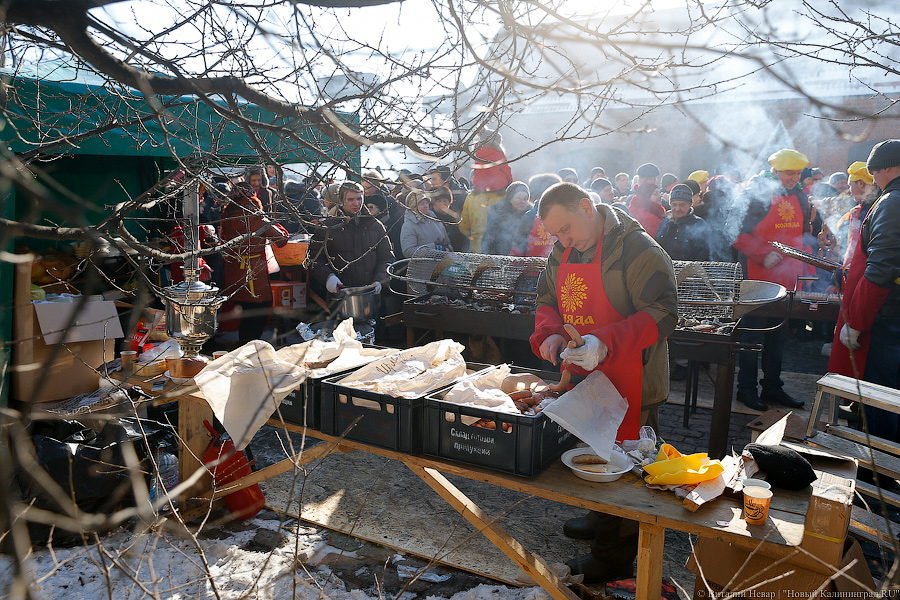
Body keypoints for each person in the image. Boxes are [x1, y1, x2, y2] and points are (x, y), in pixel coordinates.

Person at [530, 181, 677, 584]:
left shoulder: (638, 249)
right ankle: (600, 518)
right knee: (592, 449)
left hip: (633, 376)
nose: (562, 239)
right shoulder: (563, 251)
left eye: (566, 229)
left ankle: (612, 558)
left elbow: (664, 314)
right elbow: (547, 300)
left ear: (585, 206)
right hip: (584, 372)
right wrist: (550, 334)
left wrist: (605, 343)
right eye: (556, 234)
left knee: (625, 468)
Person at [828, 140, 900, 443]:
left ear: (883, 168)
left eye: (873, 172)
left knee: (882, 402)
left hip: (889, 318)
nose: (873, 179)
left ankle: (876, 481)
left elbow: (882, 270)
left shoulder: (892, 201)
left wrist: (855, 322)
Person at [732, 148, 813, 411]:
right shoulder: (755, 193)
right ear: (775, 170)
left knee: (778, 338)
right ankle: (745, 389)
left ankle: (772, 387)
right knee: (752, 337)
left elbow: (803, 234)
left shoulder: (799, 195)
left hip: (787, 279)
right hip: (757, 281)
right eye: (790, 173)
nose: (794, 178)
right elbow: (734, 231)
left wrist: (807, 271)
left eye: (798, 173)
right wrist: (762, 254)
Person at [220, 182, 289, 341]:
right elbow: (281, 239)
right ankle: (249, 348)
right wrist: (273, 223)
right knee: (258, 312)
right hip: (253, 270)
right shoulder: (256, 216)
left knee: (244, 310)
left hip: (233, 267)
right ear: (253, 195)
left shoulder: (227, 216)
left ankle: (244, 346)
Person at [309, 181, 395, 309]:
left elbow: (387, 257)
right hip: (339, 298)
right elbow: (314, 258)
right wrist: (328, 277)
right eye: (350, 199)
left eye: (359, 199)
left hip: (370, 298)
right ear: (340, 200)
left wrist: (380, 280)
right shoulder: (328, 227)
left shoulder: (375, 226)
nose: (356, 203)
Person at [834, 162, 880, 268]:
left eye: (850, 185)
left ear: (861, 184)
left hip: (865, 272)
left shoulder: (870, 211)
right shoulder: (864, 207)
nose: (849, 190)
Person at [655, 184, 710, 262]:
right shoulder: (664, 223)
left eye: (682, 205)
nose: (677, 209)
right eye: (674, 205)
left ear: (690, 204)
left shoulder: (699, 226)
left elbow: (703, 259)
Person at [481, 181, 532, 255]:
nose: (523, 201)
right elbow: (488, 238)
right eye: (519, 198)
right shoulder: (496, 213)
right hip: (498, 255)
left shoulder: (531, 216)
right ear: (510, 199)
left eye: (525, 199)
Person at [399, 190, 452, 258]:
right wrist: (434, 249)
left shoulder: (435, 220)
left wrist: (448, 249)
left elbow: (447, 242)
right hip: (423, 267)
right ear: (413, 207)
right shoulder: (409, 226)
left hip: (443, 265)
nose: (426, 206)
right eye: (421, 204)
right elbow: (408, 251)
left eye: (426, 203)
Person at [431, 188, 468, 252]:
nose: (442, 203)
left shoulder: (455, 217)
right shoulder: (430, 219)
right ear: (434, 204)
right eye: (439, 201)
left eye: (445, 200)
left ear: (449, 202)